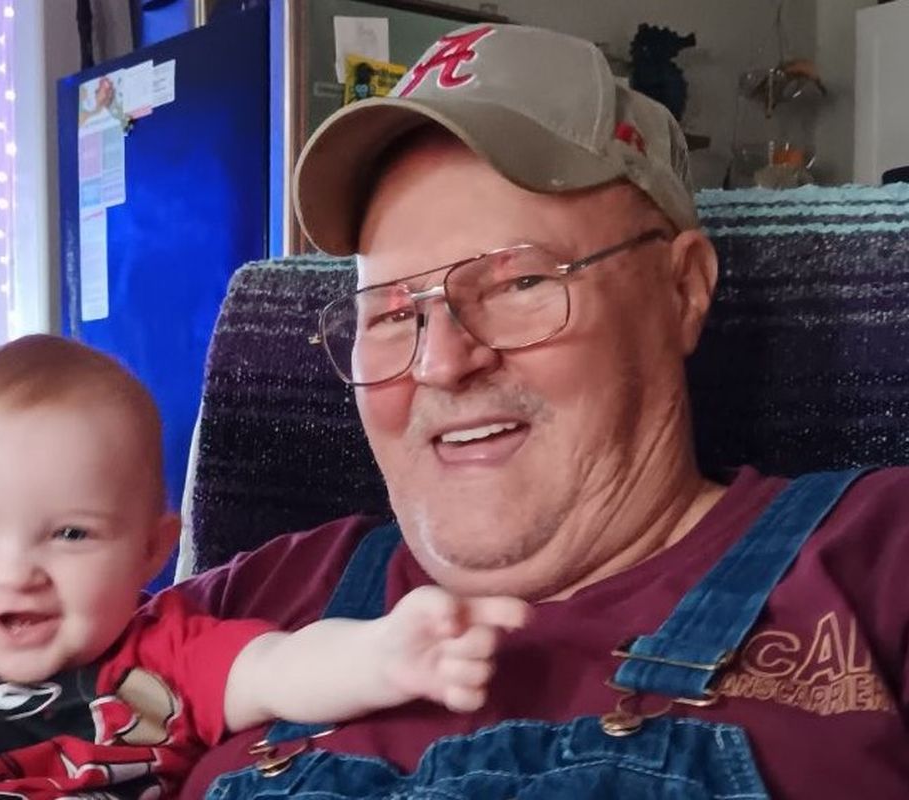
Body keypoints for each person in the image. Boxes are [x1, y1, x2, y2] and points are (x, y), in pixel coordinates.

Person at [173, 24, 909, 799]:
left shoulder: (881, 563)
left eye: (517, 284)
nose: (441, 362)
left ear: (682, 289)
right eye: (390, 314)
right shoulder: (246, 611)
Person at [0, 335, 528, 799]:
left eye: (69, 534)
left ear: (152, 548)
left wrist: (390, 651)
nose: (17, 571)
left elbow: (281, 669)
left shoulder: (168, 654)